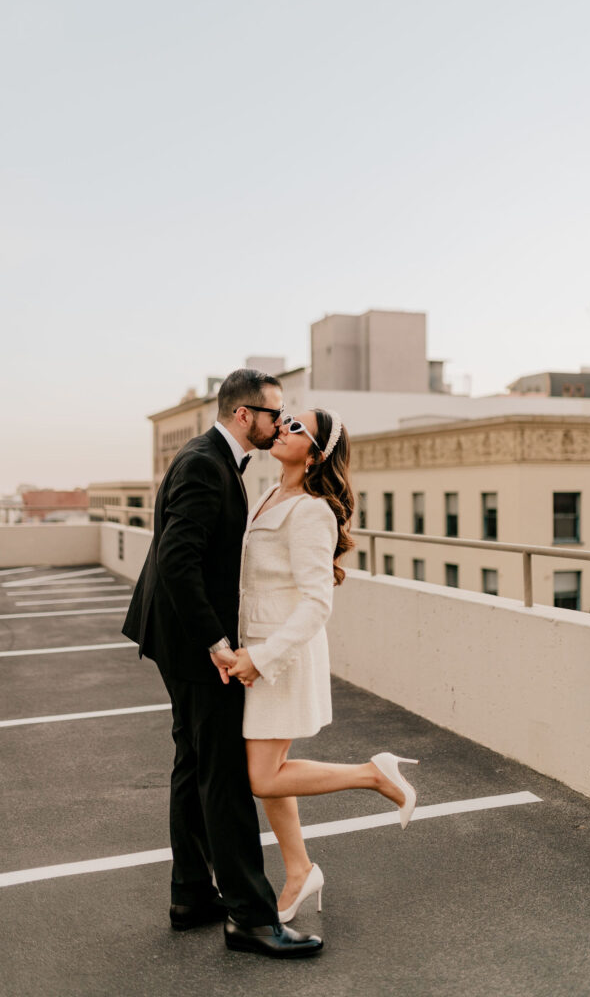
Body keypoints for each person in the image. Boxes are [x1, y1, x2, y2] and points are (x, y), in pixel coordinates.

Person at [122, 369, 323, 958]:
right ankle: (251, 918)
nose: (280, 423)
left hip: (176, 635)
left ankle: (191, 895)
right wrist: (218, 645)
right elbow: (179, 561)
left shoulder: (212, 459)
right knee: (224, 776)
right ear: (244, 416)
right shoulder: (206, 465)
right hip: (191, 644)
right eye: (274, 414)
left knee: (193, 761)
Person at [226, 409, 419, 922]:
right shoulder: (271, 494)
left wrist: (261, 659)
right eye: (285, 419)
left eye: (296, 427)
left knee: (263, 778)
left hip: (279, 658)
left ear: (315, 453)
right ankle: (299, 870)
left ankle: (373, 775)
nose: (283, 427)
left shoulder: (312, 510)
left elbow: (317, 603)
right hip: (257, 649)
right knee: (273, 772)